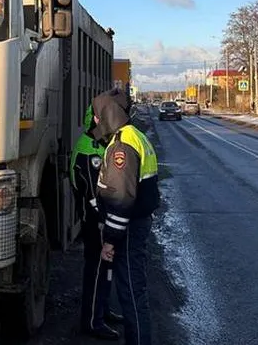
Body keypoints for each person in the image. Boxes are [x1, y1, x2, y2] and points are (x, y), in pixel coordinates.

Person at [90, 88, 160, 345]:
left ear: (108, 113)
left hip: (129, 230)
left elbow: (121, 200)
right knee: (133, 290)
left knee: (131, 292)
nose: (95, 120)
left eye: (98, 115)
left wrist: (109, 240)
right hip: (136, 225)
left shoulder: (122, 146)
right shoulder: (133, 136)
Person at [70, 105, 124, 340]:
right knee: (97, 270)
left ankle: (103, 310)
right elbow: (94, 197)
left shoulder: (98, 144)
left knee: (106, 269)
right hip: (95, 224)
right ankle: (92, 321)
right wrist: (108, 224)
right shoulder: (88, 152)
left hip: (100, 222)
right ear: (97, 122)